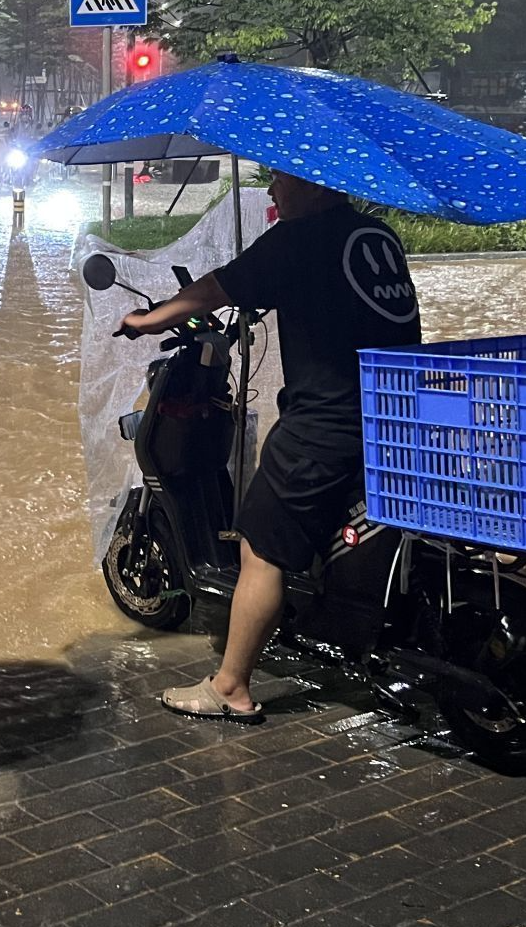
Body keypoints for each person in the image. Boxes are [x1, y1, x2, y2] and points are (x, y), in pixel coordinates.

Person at [116, 171, 420, 721]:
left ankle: (229, 686)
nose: (274, 191)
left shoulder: (298, 239)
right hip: (393, 411)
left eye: (282, 180)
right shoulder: (377, 237)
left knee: (261, 543)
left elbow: (216, 289)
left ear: (317, 184)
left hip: (324, 422)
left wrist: (148, 318)